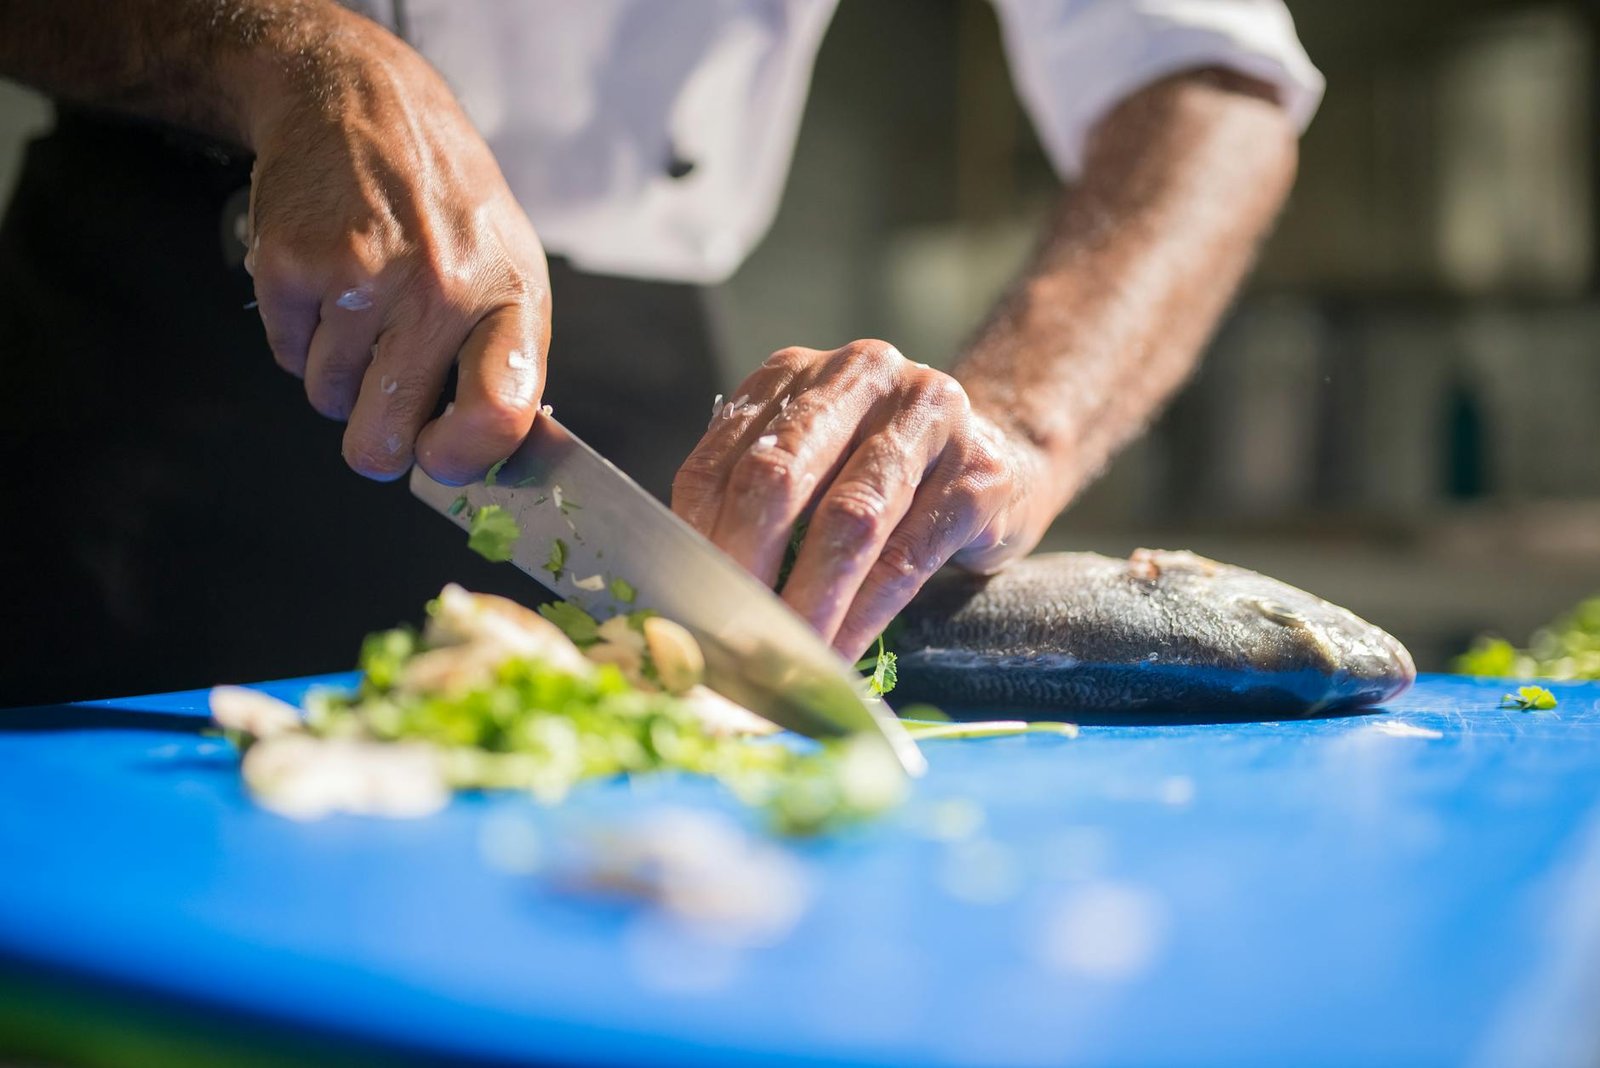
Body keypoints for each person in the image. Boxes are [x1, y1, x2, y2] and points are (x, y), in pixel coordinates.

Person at [0, 1, 1321, 704]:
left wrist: (1017, 428)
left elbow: (1207, 78)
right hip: (134, 337)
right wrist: (274, 49)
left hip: (616, 395)